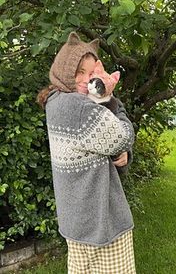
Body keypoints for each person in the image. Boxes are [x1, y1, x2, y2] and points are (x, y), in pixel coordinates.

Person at [37, 31, 136, 273]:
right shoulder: (79, 107)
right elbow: (123, 136)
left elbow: (104, 145)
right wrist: (112, 101)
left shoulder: (55, 100)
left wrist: (122, 154)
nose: (85, 80)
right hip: (100, 220)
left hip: (78, 216)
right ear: (64, 70)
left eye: (91, 73)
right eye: (79, 72)